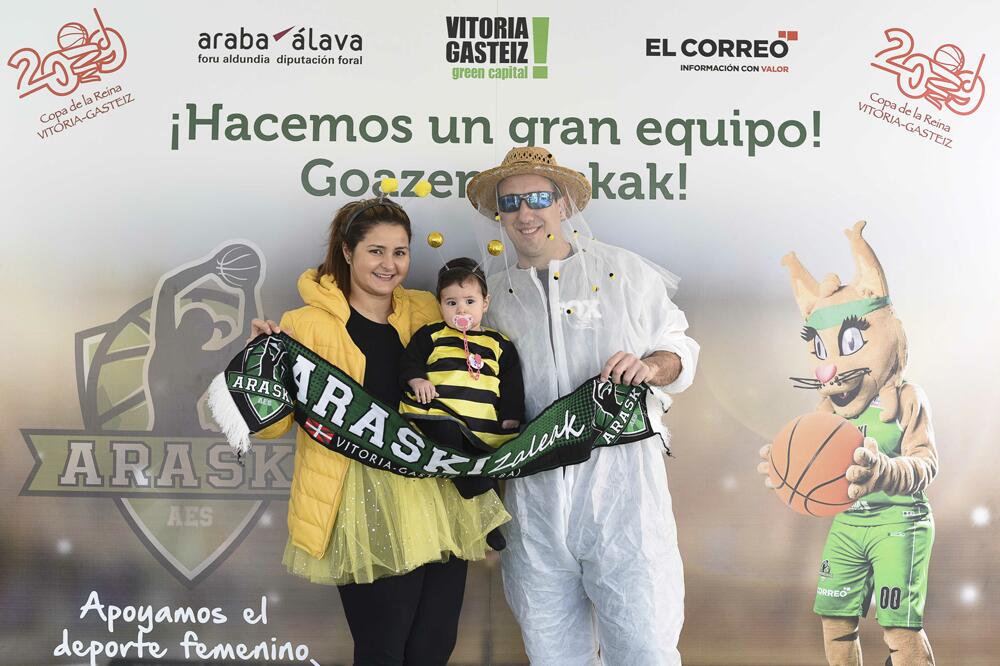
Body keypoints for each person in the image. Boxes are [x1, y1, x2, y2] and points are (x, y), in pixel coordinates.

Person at [248, 198, 510, 666]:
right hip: (362, 500)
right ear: (347, 251)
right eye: (376, 251)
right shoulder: (302, 325)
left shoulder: (431, 310)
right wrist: (260, 368)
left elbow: (477, 387)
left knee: (433, 649)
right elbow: (272, 429)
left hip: (440, 496)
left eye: (400, 252)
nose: (390, 265)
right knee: (383, 650)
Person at [466, 146, 700, 665]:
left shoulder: (625, 274)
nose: (526, 214)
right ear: (498, 215)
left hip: (625, 500)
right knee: (553, 656)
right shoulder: (489, 298)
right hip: (533, 506)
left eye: (539, 198)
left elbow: (679, 348)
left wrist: (652, 368)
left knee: (645, 652)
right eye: (511, 203)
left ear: (565, 203)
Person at [398, 257, 525, 551]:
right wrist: (417, 380)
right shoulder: (432, 334)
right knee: (449, 438)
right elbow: (409, 362)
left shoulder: (499, 343)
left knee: (483, 461)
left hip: (481, 422)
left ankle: (488, 518)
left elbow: (511, 384)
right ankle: (487, 516)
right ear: (440, 305)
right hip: (441, 414)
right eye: (451, 303)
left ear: (485, 302)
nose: (461, 309)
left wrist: (511, 416)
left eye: (469, 301)